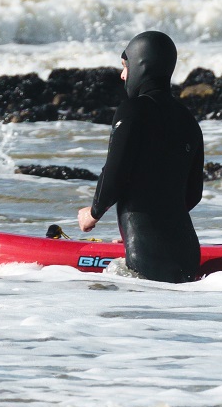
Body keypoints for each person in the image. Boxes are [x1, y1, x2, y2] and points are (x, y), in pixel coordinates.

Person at [76, 31, 206, 282]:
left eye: (125, 66)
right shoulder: (187, 119)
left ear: (140, 65)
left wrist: (92, 214)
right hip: (187, 252)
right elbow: (193, 193)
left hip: (146, 255)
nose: (122, 75)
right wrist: (143, 230)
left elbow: (115, 172)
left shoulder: (133, 110)